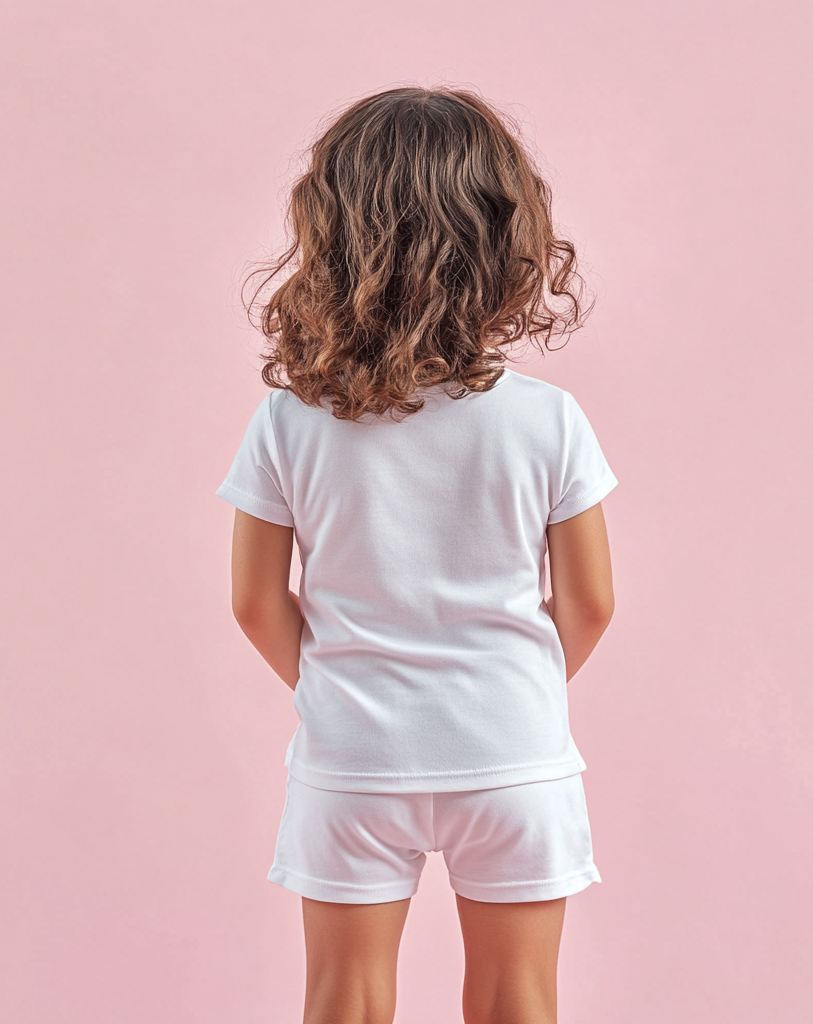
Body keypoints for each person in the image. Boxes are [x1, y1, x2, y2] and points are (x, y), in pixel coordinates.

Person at [216, 86, 618, 1024]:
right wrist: (505, 692)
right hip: (512, 751)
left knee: (343, 1002)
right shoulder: (547, 422)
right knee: (519, 1003)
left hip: (352, 754)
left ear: (333, 234)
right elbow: (591, 605)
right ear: (504, 239)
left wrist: (336, 684)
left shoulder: (289, 420)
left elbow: (254, 601)